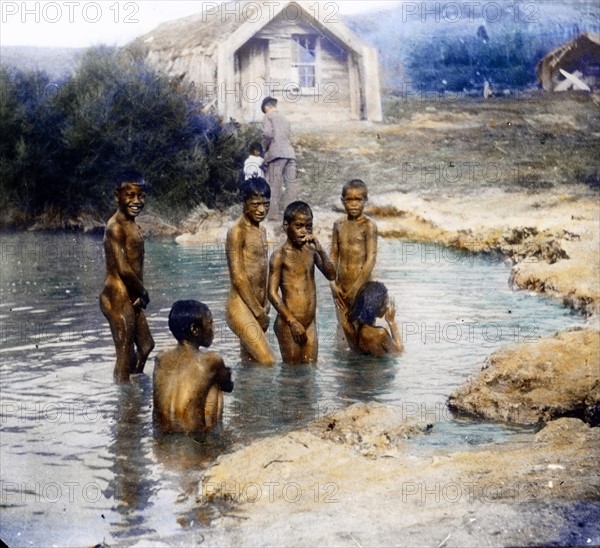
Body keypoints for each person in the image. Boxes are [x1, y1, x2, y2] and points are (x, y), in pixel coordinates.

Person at [99, 170, 155, 383]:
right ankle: (124, 406)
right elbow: (123, 269)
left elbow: (136, 264)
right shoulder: (115, 227)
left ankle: (134, 386)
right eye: (130, 195)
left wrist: (139, 293)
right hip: (116, 295)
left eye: (140, 196)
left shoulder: (133, 223)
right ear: (117, 196)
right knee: (124, 354)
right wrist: (143, 292)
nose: (136, 201)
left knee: (146, 345)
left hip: (131, 293)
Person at [268, 201, 336, 364]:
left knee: (310, 374)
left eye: (308, 226)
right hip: (289, 324)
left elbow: (332, 275)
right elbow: (271, 293)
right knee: (292, 376)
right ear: (286, 226)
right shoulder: (280, 255)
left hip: (310, 323)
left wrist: (320, 249)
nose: (303, 231)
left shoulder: (311, 252)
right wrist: (292, 322)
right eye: (298, 226)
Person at [153, 300, 233, 434]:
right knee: (216, 387)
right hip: (192, 441)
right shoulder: (211, 361)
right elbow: (229, 386)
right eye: (210, 323)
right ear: (195, 330)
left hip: (160, 440)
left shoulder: (160, 359)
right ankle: (217, 439)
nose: (213, 329)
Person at [225, 177, 276, 365]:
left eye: (265, 204)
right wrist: (258, 311)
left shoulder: (261, 230)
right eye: (255, 204)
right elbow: (238, 277)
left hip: (258, 305)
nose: (261, 210)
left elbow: (262, 268)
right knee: (268, 361)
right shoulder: (237, 231)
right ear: (244, 202)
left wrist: (265, 303)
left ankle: (246, 395)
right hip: (240, 306)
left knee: (251, 363)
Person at [330, 179, 378, 310]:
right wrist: (332, 284)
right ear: (342, 200)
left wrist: (355, 288)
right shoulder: (338, 225)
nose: (353, 205)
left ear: (365, 200)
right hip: (341, 287)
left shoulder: (368, 226)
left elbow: (371, 260)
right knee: (342, 327)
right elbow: (334, 255)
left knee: (363, 329)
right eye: (349, 200)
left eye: (358, 200)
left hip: (362, 287)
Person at [338, 281, 403, 357]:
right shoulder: (380, 334)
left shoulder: (349, 328)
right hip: (376, 368)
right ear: (376, 305)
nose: (387, 305)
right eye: (385, 302)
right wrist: (392, 322)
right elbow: (399, 351)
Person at [261, 96, 297, 220]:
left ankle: (272, 215)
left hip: (276, 154)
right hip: (290, 154)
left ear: (267, 107)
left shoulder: (268, 116)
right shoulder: (285, 118)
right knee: (291, 185)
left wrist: (264, 148)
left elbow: (267, 134)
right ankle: (293, 214)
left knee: (273, 185)